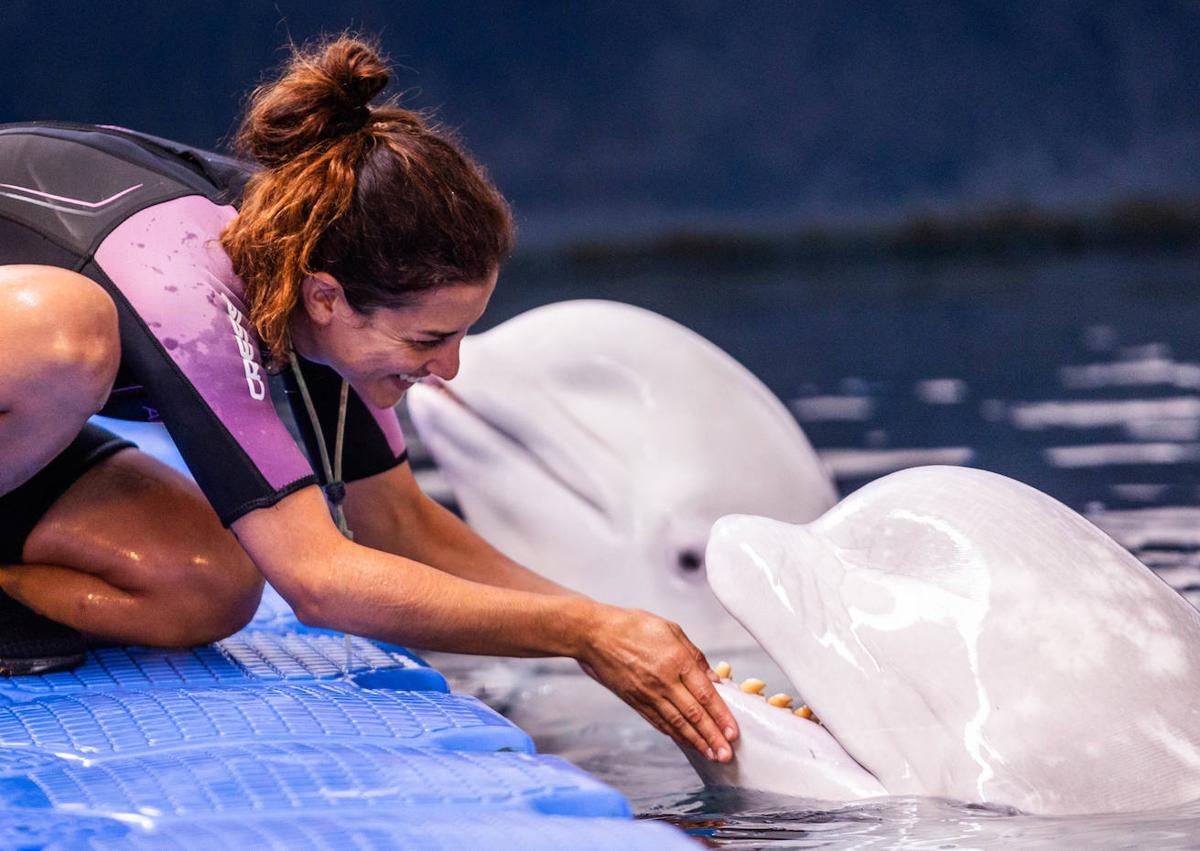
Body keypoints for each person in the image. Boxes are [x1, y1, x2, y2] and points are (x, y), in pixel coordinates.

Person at [0, 35, 737, 763]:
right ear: (327, 299)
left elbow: (399, 526)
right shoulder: (186, 280)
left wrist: (613, 623)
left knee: (208, 584)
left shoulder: (312, 264)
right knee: (65, 333)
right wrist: (581, 632)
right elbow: (319, 580)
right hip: (43, 348)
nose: (448, 368)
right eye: (426, 341)